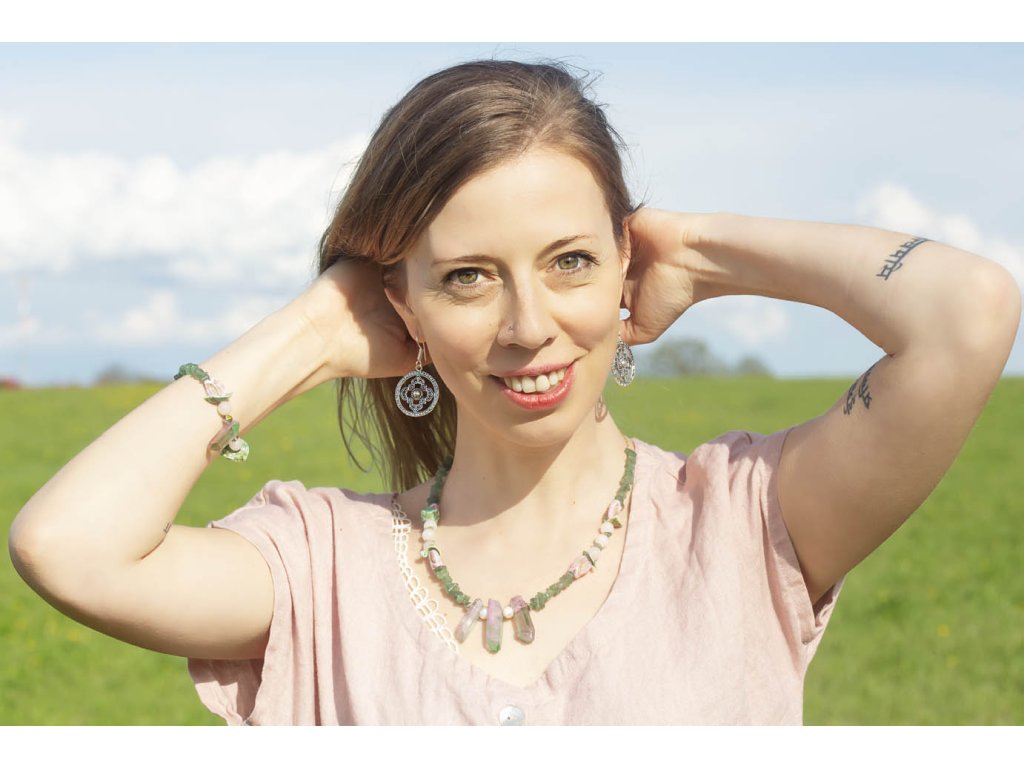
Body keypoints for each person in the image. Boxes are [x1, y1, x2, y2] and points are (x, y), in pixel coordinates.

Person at [7, 59, 1019, 726]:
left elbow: (966, 313)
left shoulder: (750, 524)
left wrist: (702, 251)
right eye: (467, 277)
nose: (528, 324)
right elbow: (68, 547)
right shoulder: (319, 569)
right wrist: (312, 331)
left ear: (625, 261)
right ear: (401, 302)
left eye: (570, 260)